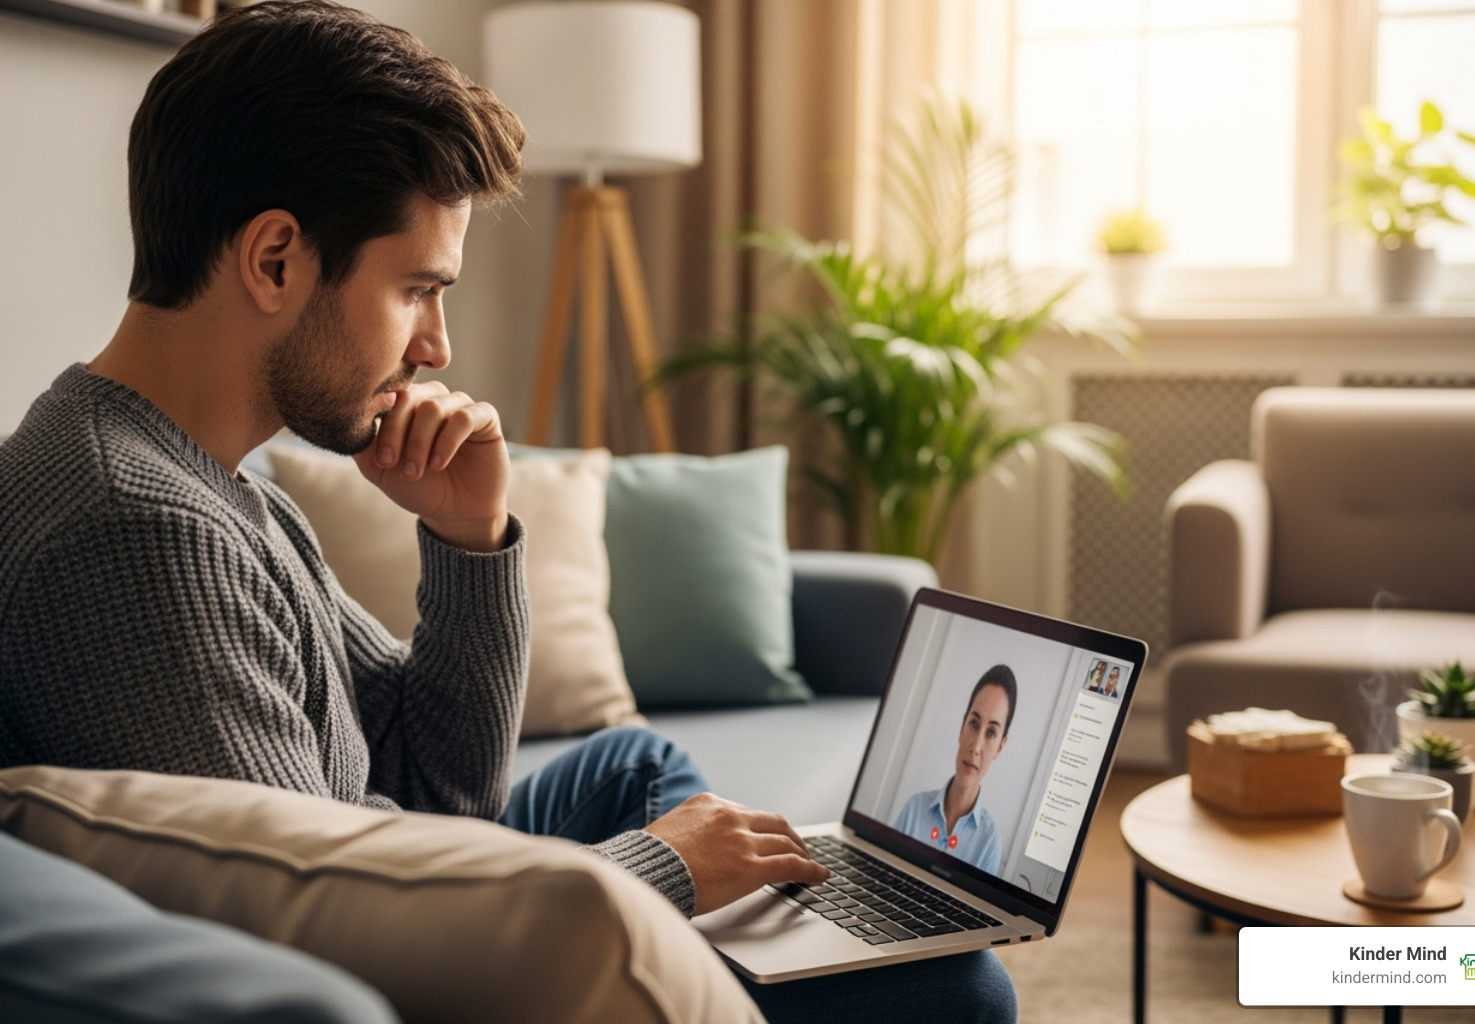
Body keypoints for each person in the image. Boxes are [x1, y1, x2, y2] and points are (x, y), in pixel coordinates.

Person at [0, 4, 1014, 1021]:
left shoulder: (200, 475)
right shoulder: (138, 534)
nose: (436, 345)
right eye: (417, 289)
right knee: (961, 988)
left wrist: (467, 538)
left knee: (639, 762)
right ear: (274, 259)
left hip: (405, 864)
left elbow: (445, 791)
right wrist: (657, 875)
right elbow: (316, 935)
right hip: (424, 963)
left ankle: (735, 954)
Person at [893, 665, 1017, 875]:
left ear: (1000, 747)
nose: (976, 747)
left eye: (991, 733)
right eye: (974, 724)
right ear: (962, 728)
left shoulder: (989, 843)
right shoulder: (913, 809)